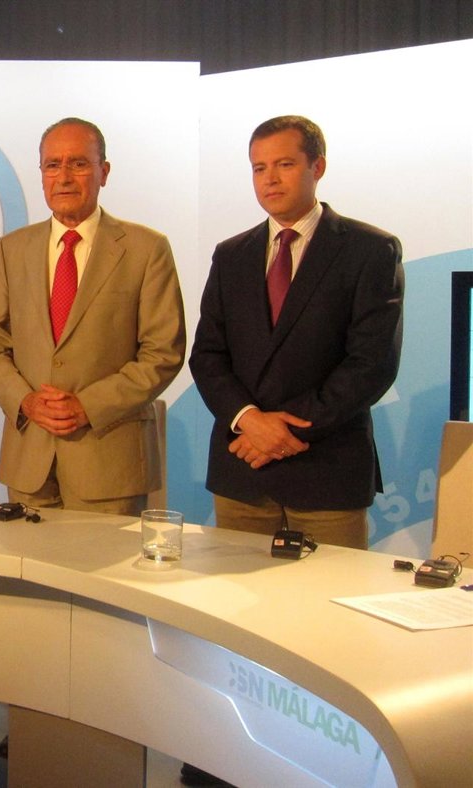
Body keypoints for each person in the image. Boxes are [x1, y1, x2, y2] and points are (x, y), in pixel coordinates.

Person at [189, 115, 404, 550]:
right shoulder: (231, 255)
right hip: (242, 470)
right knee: (233, 590)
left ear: (317, 167)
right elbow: (208, 356)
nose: (269, 179)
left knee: (328, 594)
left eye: (284, 164)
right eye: (259, 168)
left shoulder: (369, 249)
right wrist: (250, 421)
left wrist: (283, 434)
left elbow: (371, 364)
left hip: (326, 470)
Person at [0, 117, 185, 518]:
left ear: (104, 171)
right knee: (27, 561)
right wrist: (25, 401)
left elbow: (163, 353)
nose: (64, 177)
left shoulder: (146, 249)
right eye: (53, 165)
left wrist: (88, 405)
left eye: (79, 163)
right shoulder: (11, 249)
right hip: (29, 462)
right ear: (41, 174)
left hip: (110, 463)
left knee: (102, 561)